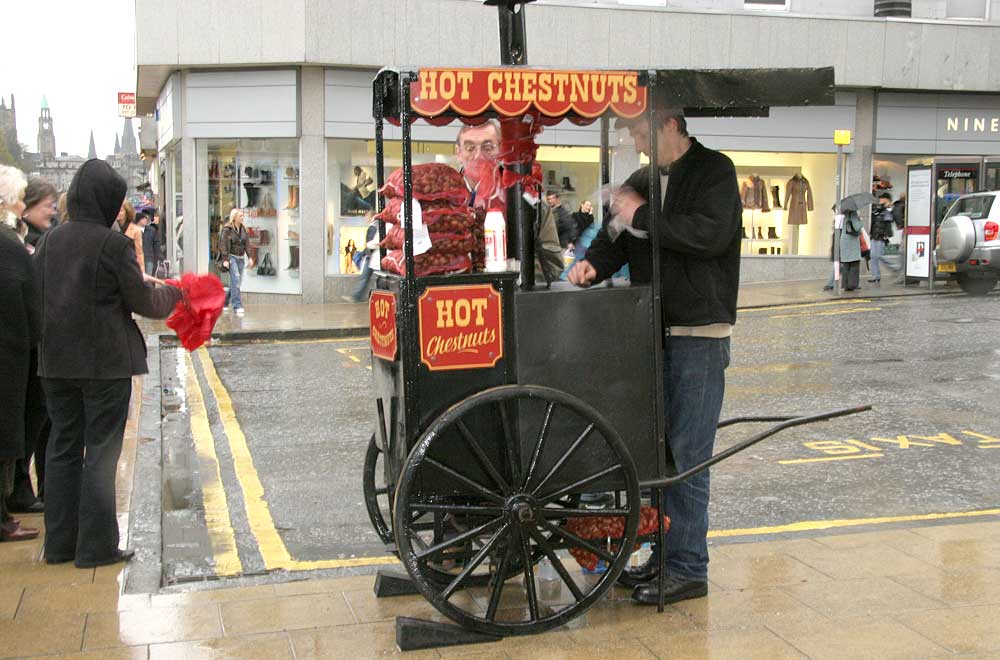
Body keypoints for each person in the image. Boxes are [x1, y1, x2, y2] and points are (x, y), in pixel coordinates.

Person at [567, 110, 741, 606]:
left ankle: (688, 566)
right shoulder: (643, 179)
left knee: (688, 454)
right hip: (652, 331)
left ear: (670, 123)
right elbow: (614, 240)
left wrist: (640, 212)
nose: (639, 144)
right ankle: (664, 556)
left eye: (642, 133)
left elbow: (705, 236)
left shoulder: (715, 171)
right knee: (660, 451)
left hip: (698, 332)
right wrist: (591, 266)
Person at [34, 159, 182, 567]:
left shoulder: (49, 241)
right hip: (104, 365)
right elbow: (142, 301)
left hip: (55, 363)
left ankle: (61, 545)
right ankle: (96, 547)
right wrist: (175, 293)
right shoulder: (112, 243)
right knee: (100, 452)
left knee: (63, 448)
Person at [454, 120, 563, 281]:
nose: (478, 155)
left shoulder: (523, 195)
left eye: (488, 147)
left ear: (501, 150)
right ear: (458, 152)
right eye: (470, 148)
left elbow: (553, 264)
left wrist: (513, 276)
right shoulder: (441, 198)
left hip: (513, 300)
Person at [0, 165, 41, 542]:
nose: (22, 202)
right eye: (19, 196)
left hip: (13, 348)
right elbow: (18, 294)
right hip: (10, 353)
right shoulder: (6, 241)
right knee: (6, 431)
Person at [220, 208, 252, 316]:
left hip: (241, 258)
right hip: (231, 257)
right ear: (234, 217)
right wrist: (225, 259)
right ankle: (237, 305)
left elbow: (247, 244)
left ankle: (224, 302)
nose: (242, 217)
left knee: (236, 282)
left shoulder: (243, 229)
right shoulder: (227, 229)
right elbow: (223, 244)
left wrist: (250, 257)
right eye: (240, 216)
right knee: (236, 280)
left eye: (243, 216)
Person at [346, 212, 379, 302]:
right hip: (374, 257)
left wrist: (364, 252)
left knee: (365, 277)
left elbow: (371, 243)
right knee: (368, 277)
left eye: (367, 216)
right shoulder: (377, 226)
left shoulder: (373, 227)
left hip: (372, 257)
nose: (365, 218)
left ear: (372, 216)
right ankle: (358, 296)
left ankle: (357, 296)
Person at [21, 178, 58, 248]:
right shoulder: (16, 242)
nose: (53, 212)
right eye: (48, 206)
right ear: (27, 207)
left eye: (53, 206)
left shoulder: (58, 233)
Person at [868, 193, 895, 283]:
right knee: (873, 257)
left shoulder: (888, 211)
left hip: (881, 237)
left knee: (879, 256)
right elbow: (873, 221)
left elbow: (890, 220)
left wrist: (888, 209)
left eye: (883, 200)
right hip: (874, 236)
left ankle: (894, 267)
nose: (880, 202)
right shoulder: (876, 210)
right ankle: (875, 276)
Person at [115, 200, 144, 272]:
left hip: (130, 266)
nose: (118, 213)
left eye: (121, 211)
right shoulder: (112, 227)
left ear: (127, 212)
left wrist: (142, 271)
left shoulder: (135, 230)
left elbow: (139, 253)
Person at [840, 208, 863, 291]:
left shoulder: (844, 214)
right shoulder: (853, 214)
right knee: (854, 263)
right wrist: (860, 221)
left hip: (844, 240)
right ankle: (852, 284)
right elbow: (857, 227)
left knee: (846, 264)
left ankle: (845, 285)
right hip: (851, 241)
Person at [140, 210, 162, 275]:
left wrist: (158, 258)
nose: (145, 220)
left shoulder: (152, 230)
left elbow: (156, 245)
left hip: (149, 258)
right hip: (139, 259)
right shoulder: (135, 230)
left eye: (146, 218)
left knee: (149, 278)